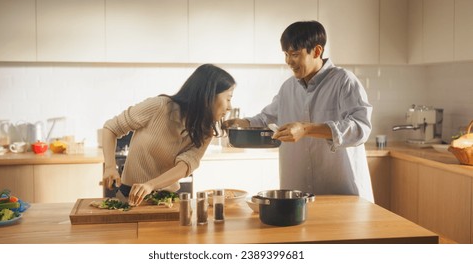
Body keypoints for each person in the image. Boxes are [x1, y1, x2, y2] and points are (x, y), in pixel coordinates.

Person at [225, 21, 374, 202]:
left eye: (295, 54)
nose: (288, 61)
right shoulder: (288, 88)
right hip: (298, 195)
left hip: (342, 192)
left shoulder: (344, 81)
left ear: (317, 51)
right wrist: (240, 124)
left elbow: (361, 128)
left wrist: (307, 129)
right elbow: (266, 119)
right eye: (286, 54)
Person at [102, 64, 236, 206]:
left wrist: (151, 185)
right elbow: (111, 128)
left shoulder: (205, 131)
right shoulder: (159, 106)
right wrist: (110, 167)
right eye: (228, 99)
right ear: (208, 95)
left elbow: (185, 166)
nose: (230, 107)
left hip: (168, 200)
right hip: (129, 196)